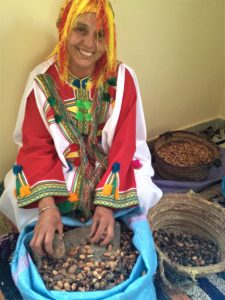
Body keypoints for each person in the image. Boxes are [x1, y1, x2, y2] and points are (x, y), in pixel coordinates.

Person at [0, 0, 162, 257]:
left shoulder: (122, 78)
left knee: (143, 191)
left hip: (112, 167)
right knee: (13, 188)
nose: (89, 44)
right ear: (62, 28)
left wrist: (108, 203)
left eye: (100, 35)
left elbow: (124, 142)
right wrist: (47, 206)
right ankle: (59, 222)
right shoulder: (41, 80)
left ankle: (102, 218)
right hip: (62, 170)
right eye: (80, 30)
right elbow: (37, 146)